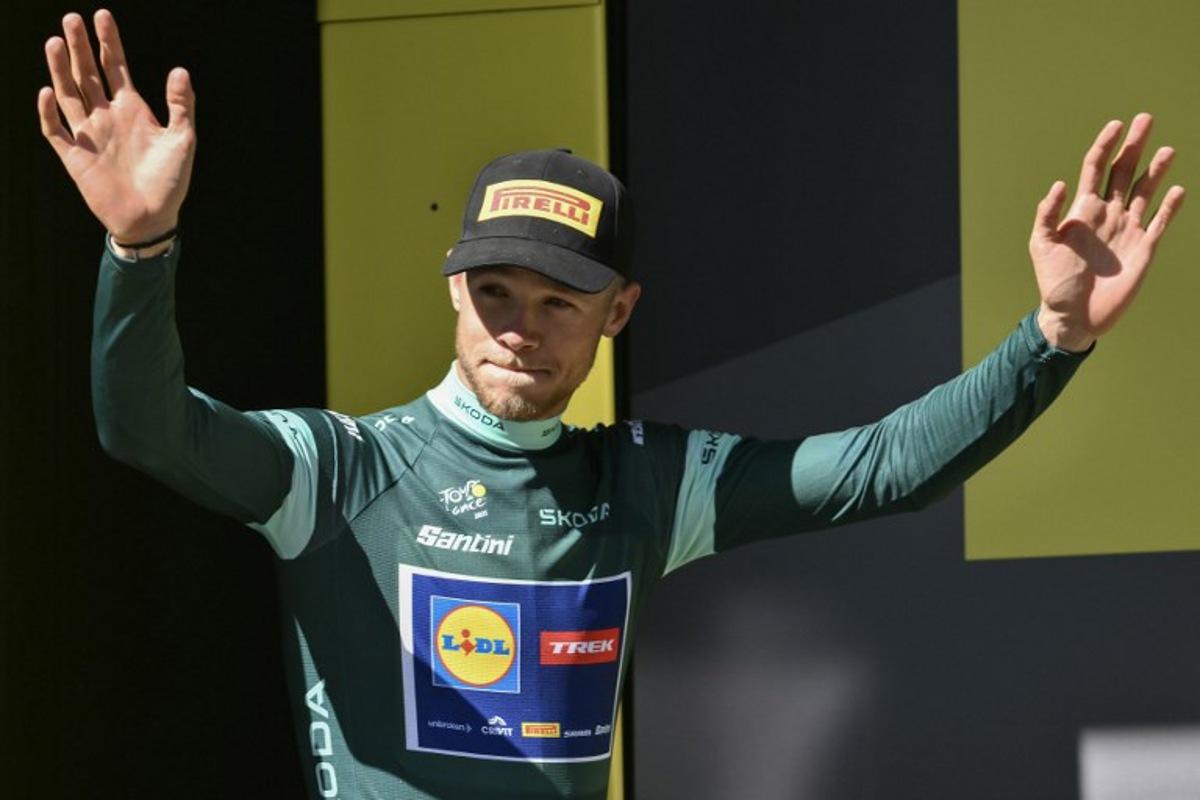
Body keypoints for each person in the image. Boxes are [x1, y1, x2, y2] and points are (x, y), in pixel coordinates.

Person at [38, 9, 1185, 800]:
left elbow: (885, 466)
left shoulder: (642, 482)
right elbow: (146, 426)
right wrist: (141, 248)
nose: (520, 326)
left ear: (618, 312)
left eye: (559, 301)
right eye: (495, 291)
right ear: (453, 288)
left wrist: (1054, 336)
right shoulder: (341, 467)